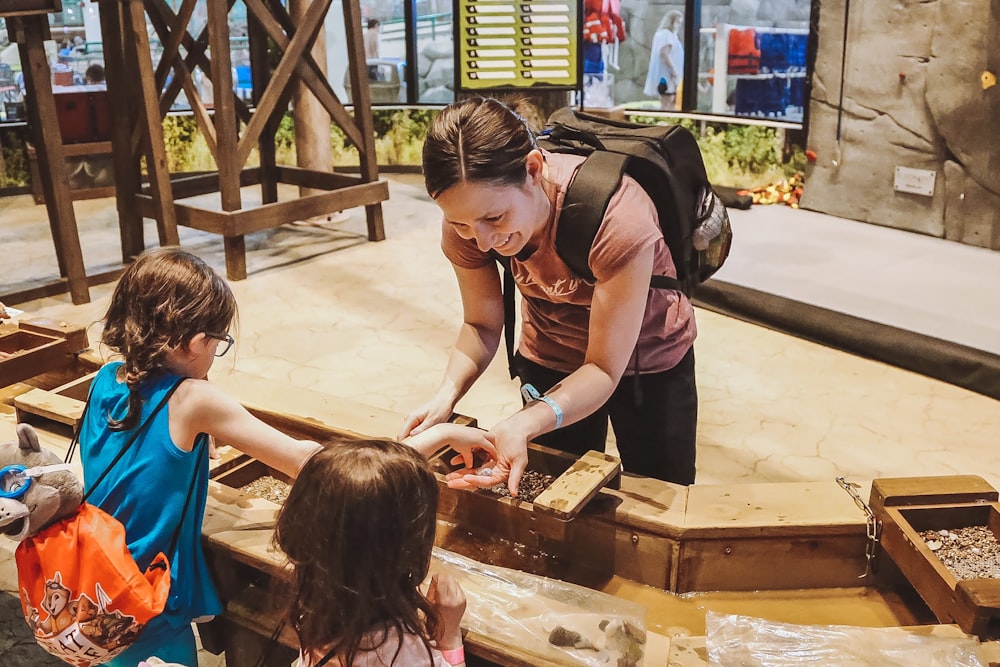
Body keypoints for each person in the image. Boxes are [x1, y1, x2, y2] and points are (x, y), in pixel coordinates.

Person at [80, 246, 487, 666]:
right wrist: (437, 435)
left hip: (96, 577)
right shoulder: (193, 400)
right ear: (196, 342)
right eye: (219, 342)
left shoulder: (106, 379)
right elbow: (317, 464)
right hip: (148, 594)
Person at [400, 97, 698, 496]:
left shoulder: (617, 216)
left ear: (533, 169)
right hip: (551, 351)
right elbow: (481, 323)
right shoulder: (468, 223)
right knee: (551, 484)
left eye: (495, 218)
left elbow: (604, 369)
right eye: (461, 223)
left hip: (646, 359)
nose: (483, 240)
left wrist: (525, 422)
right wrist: (445, 397)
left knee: (659, 491)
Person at [276, 438, 467, 667]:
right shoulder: (400, 653)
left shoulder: (316, 602)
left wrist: (443, 434)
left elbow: (361, 487)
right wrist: (450, 635)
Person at [644, 10, 684, 110]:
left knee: (670, 101)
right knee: (668, 100)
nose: (679, 26)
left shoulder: (664, 34)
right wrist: (673, 70)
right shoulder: (666, 35)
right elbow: (664, 54)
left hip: (667, 75)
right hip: (667, 76)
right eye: (678, 22)